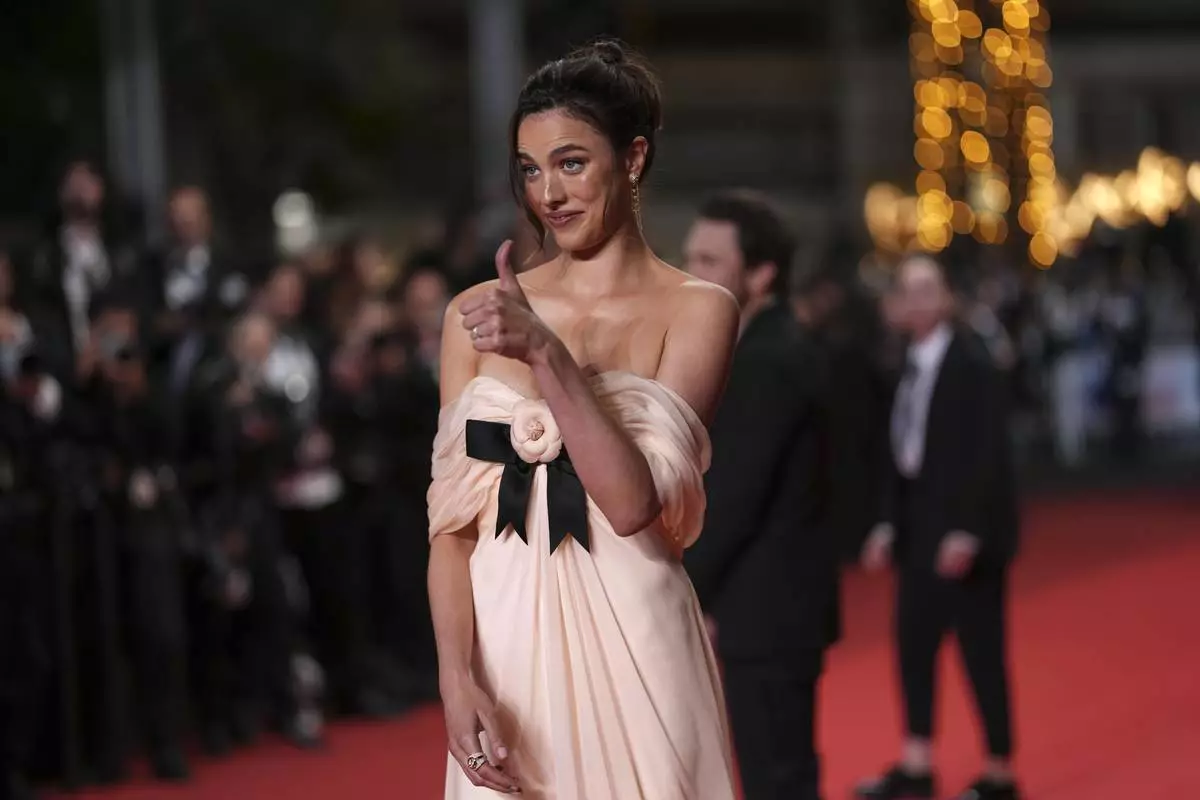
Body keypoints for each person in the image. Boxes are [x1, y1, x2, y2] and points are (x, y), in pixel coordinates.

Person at [426, 40, 740, 799]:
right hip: (506, 659)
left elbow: (634, 505)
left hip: (637, 643)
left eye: (571, 163)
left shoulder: (698, 310)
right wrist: (456, 680)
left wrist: (545, 353)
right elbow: (450, 531)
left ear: (632, 158)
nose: (548, 195)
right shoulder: (472, 315)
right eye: (530, 170)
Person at [681, 191, 837, 800]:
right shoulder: (768, 347)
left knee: (778, 778)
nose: (691, 273)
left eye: (710, 261)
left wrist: (683, 589)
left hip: (768, 611)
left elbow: (736, 495)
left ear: (761, 273)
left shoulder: (769, 359)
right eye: (690, 256)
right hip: (774, 607)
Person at [855, 254, 1020, 800]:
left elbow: (988, 452)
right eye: (908, 290)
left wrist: (968, 529)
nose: (918, 300)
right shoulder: (904, 362)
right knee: (913, 645)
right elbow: (899, 449)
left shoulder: (974, 360)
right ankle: (917, 762)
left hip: (966, 529)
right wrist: (884, 521)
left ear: (949, 297)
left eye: (928, 288)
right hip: (918, 525)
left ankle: (999, 773)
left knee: (980, 651)